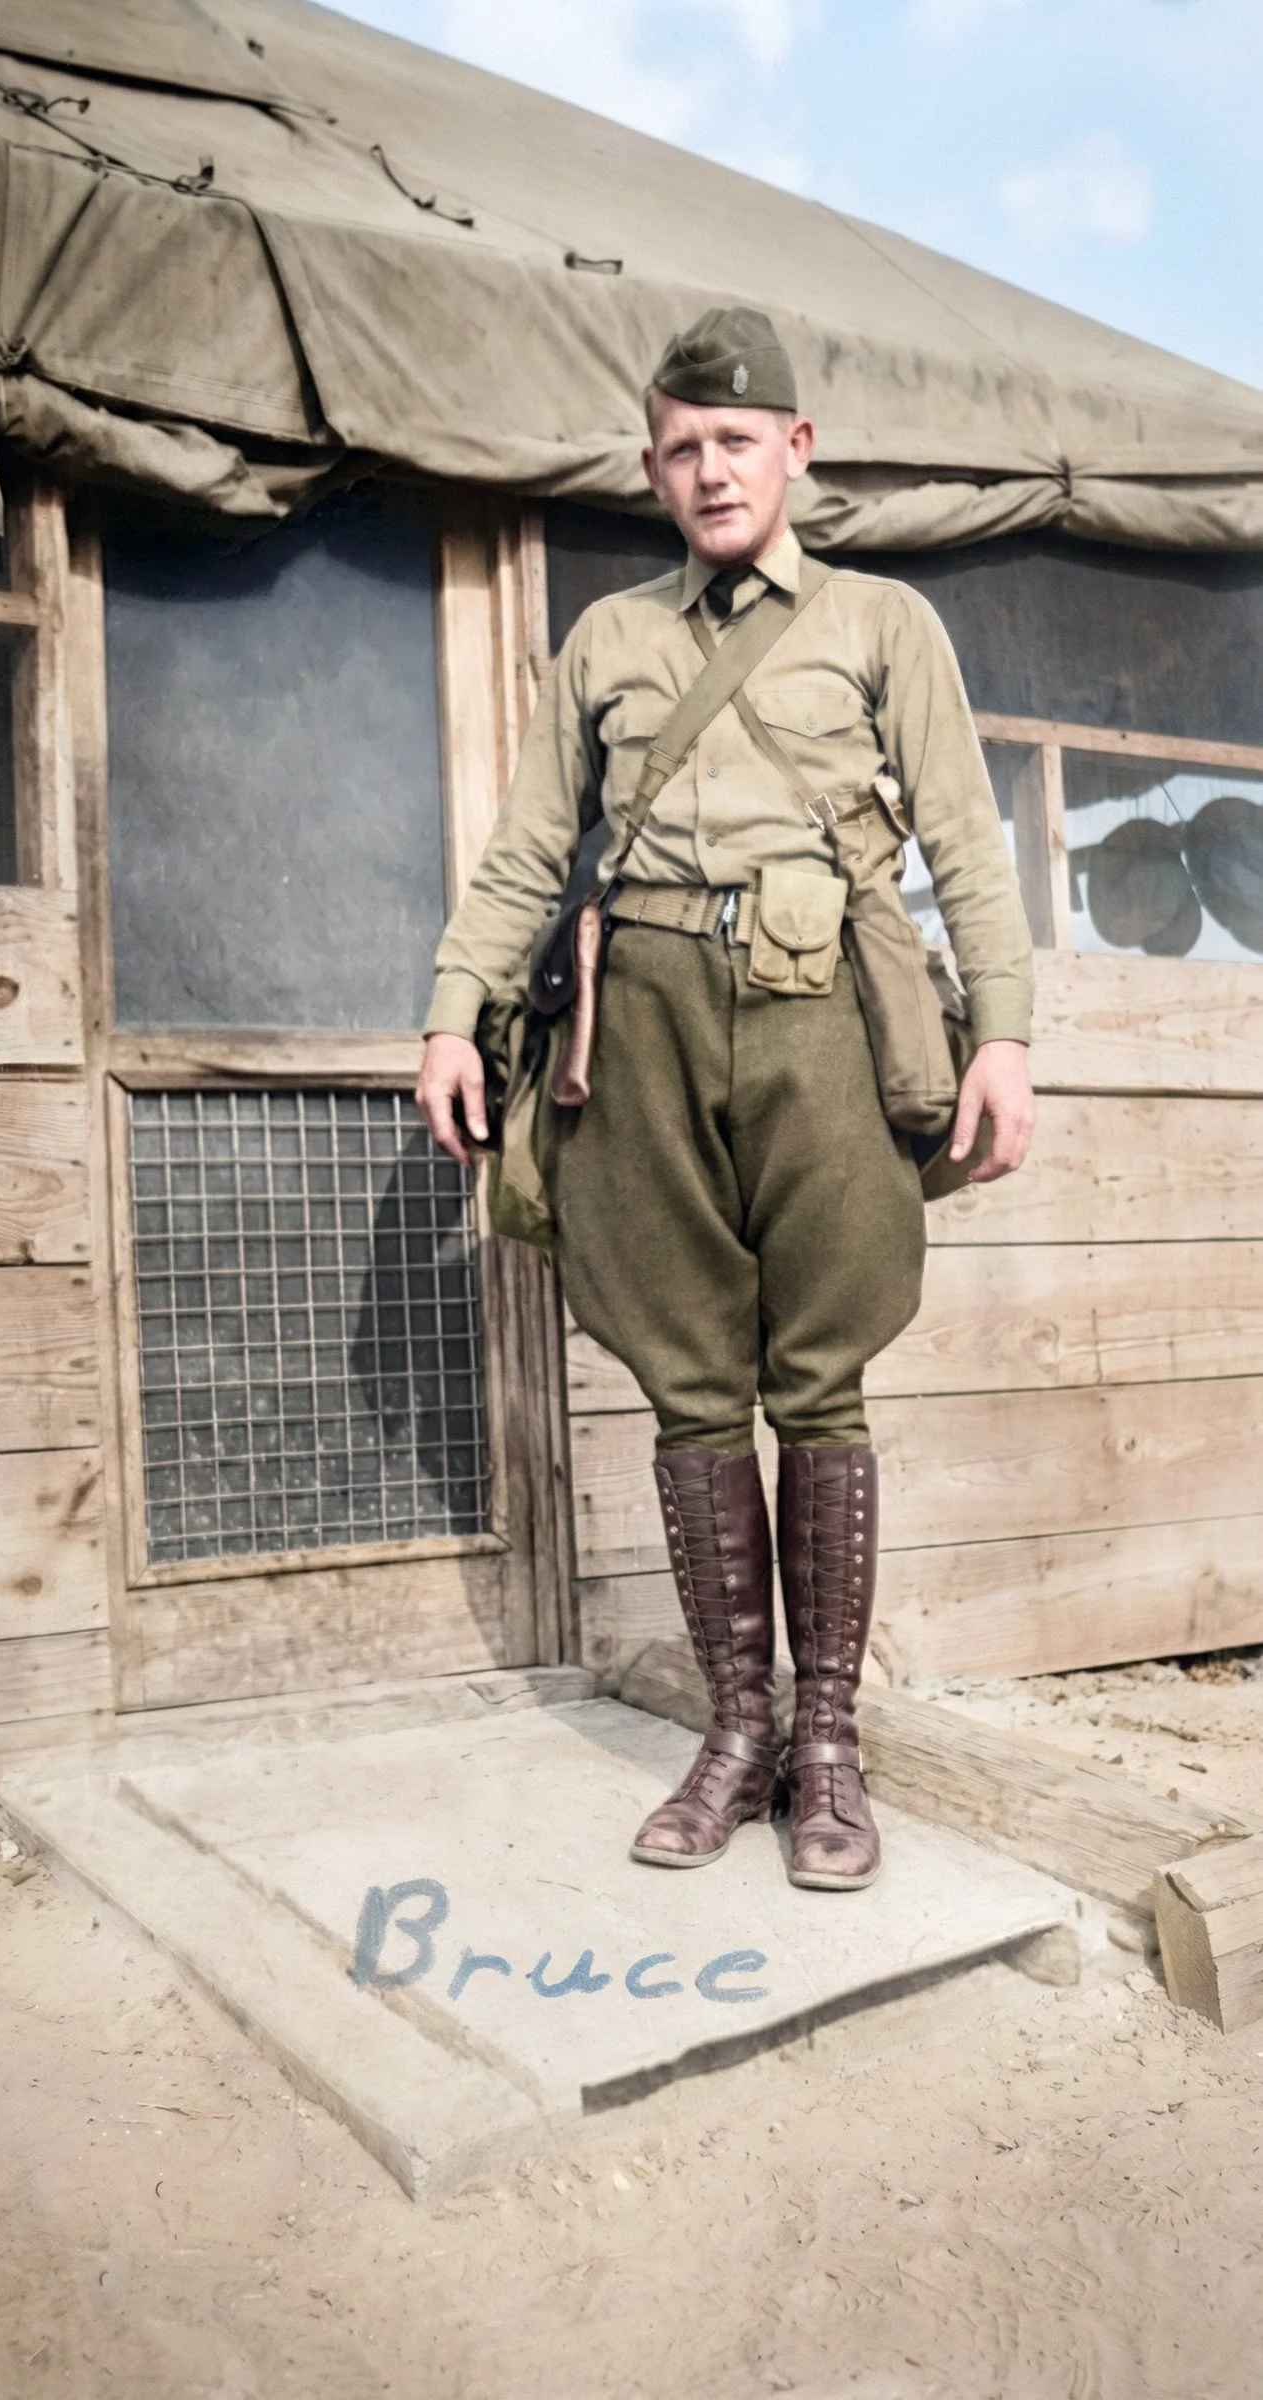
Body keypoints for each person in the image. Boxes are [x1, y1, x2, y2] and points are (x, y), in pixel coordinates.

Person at [417, 307, 1035, 1891]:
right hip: (640, 1030)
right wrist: (446, 1019)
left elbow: (966, 840)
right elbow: (522, 855)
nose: (712, 472)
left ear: (797, 454)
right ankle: (736, 1734)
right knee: (694, 1389)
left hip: (825, 1017)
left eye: (738, 444)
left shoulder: (885, 623)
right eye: (683, 448)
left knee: (817, 1382)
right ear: (653, 466)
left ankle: (828, 1752)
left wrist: (1005, 1034)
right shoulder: (608, 643)